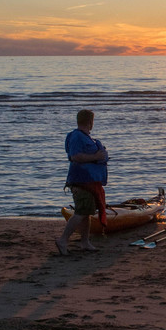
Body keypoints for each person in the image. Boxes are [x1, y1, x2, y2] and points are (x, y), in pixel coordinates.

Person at [55, 109, 109, 255]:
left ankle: (85, 242)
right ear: (90, 122)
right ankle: (63, 240)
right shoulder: (77, 137)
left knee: (87, 212)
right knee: (81, 212)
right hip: (80, 181)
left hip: (89, 181)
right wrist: (96, 156)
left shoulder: (85, 137)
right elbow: (75, 157)